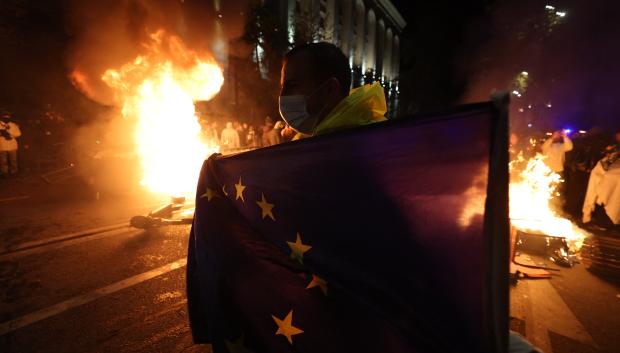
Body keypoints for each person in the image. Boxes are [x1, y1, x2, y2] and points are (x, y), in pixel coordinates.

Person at [278, 42, 386, 139]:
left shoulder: (346, 148)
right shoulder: (323, 142)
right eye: (282, 87)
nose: (282, 96)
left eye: (292, 85)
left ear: (330, 89)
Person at [0, 111, 22, 176]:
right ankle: (4, 172)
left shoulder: (13, 125)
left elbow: (18, 133)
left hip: (12, 144)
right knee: (3, 160)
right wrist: (2, 134)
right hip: (2, 144)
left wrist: (10, 135)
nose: (6, 117)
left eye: (8, 116)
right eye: (4, 116)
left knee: (13, 160)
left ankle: (14, 172)